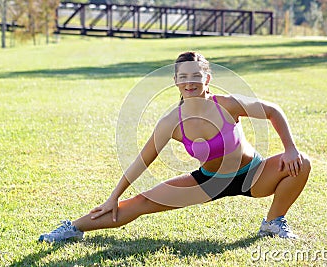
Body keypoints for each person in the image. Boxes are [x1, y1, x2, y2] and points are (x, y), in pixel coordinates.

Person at [39, 52, 311, 243]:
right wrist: (113, 196)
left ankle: (273, 222)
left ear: (207, 78)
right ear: (176, 81)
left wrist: (290, 148)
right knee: (140, 203)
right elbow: (142, 161)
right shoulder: (172, 122)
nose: (190, 82)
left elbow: (273, 111)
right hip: (208, 181)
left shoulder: (226, 104)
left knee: (302, 164)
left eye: (196, 76)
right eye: (183, 77)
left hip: (254, 174)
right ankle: (72, 228)